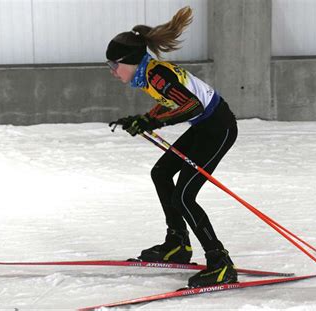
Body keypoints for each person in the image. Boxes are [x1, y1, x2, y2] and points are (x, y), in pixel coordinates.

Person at [107, 6, 238, 288]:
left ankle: (220, 263)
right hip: (204, 126)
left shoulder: (156, 74)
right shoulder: (149, 75)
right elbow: (173, 102)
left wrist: (153, 123)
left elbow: (192, 104)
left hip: (218, 128)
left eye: (114, 65)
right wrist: (144, 119)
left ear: (129, 61)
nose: (113, 72)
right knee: (161, 172)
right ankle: (177, 243)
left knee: (184, 196)